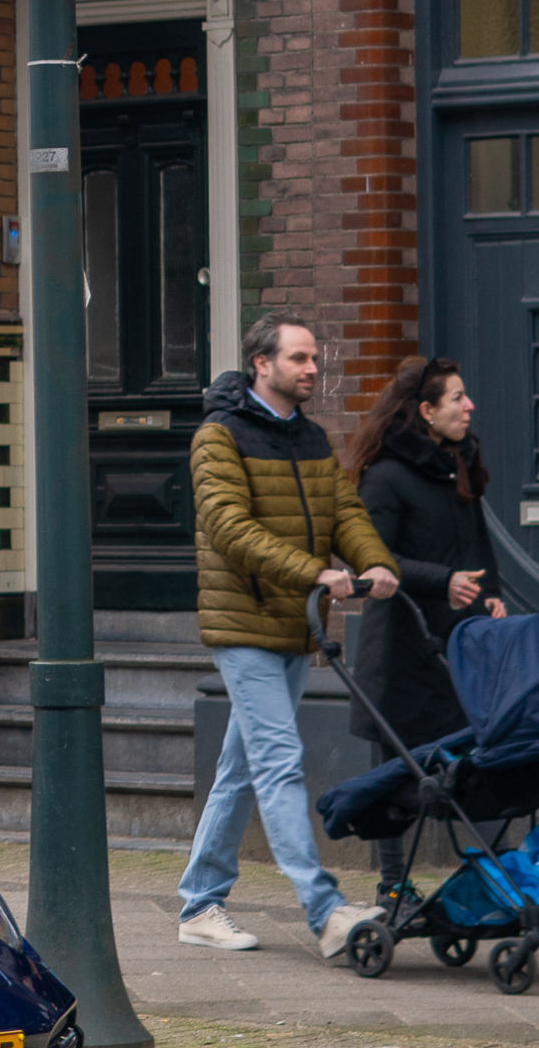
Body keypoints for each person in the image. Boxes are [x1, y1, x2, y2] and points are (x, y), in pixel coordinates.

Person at [175, 310, 399, 959]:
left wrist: (374, 561)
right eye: (300, 358)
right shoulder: (218, 436)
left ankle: (198, 903)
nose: (312, 369)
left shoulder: (311, 437)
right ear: (262, 364)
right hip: (243, 623)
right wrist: (319, 573)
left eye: (314, 359)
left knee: (240, 769)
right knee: (278, 762)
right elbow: (229, 529)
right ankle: (325, 911)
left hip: (296, 625)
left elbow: (343, 510)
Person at [345, 357, 508, 913]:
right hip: (403, 651)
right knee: (396, 775)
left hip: (460, 651)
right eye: (457, 398)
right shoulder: (387, 476)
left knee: (483, 763)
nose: (470, 406)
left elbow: (478, 545)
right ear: (426, 411)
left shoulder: (457, 462)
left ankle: (493, 876)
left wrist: (492, 597)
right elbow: (372, 557)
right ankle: (393, 888)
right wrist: (443, 582)